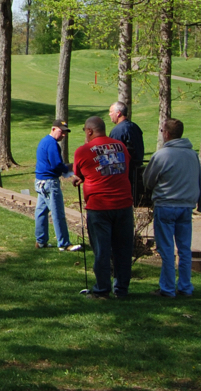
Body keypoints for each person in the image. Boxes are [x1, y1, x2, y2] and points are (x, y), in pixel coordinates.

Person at [142, 118, 201, 297]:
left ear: (167, 134)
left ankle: (168, 288)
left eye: (163, 131)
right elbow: (200, 180)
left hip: (165, 205)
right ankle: (185, 286)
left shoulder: (162, 155)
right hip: (186, 206)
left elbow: (148, 181)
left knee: (167, 249)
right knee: (184, 249)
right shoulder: (192, 154)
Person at [73, 115, 134, 298]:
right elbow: (125, 168)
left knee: (101, 250)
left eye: (85, 131)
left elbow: (79, 174)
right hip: (123, 204)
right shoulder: (121, 146)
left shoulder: (83, 151)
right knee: (123, 250)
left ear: (89, 131)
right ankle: (121, 289)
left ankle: (102, 289)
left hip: (99, 206)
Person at [34, 120, 82, 252]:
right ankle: (64, 243)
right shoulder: (52, 144)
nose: (63, 135)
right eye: (61, 131)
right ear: (54, 129)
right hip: (50, 183)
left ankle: (41, 241)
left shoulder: (44, 141)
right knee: (58, 213)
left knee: (41, 212)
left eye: (65, 132)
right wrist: (69, 169)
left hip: (40, 181)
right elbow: (56, 165)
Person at [109, 102, 147, 206]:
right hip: (136, 172)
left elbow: (113, 155)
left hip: (124, 174)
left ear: (118, 113)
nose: (109, 115)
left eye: (111, 112)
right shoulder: (135, 127)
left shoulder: (117, 131)